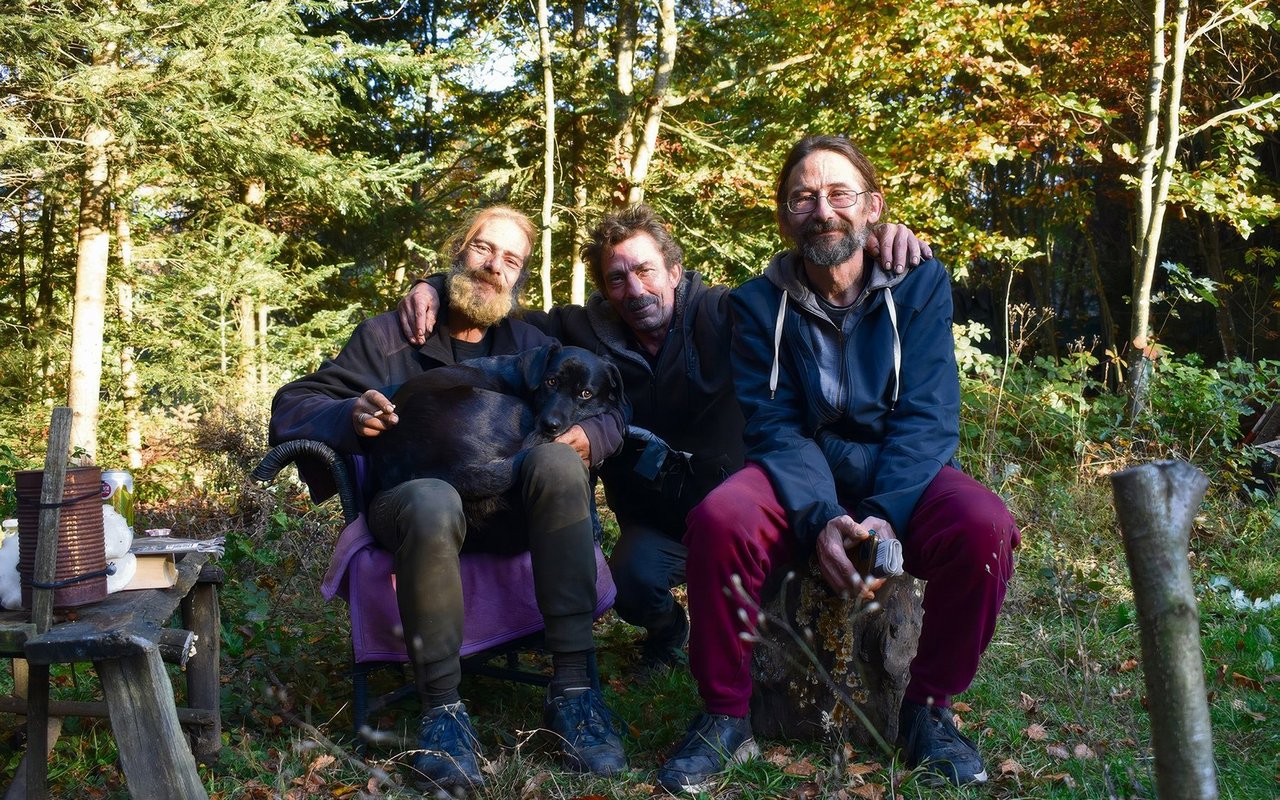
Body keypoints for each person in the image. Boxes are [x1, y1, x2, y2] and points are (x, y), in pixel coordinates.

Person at [397, 206, 931, 673]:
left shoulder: (727, 313)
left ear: (674, 270)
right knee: (629, 582)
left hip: (746, 512)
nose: (634, 290)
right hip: (659, 525)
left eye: (645, 270)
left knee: (785, 597)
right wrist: (435, 286)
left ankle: (774, 649)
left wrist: (873, 240)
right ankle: (669, 631)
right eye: (617, 278)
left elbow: (808, 286)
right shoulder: (578, 332)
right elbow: (493, 305)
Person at [657, 135, 1020, 793]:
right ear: (785, 217)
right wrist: (822, 515)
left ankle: (928, 710)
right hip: (802, 473)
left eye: (839, 193)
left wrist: (884, 514)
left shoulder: (920, 284)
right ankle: (725, 714)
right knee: (719, 519)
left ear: (872, 207)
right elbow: (773, 424)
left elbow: (929, 414)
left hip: (901, 473)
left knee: (983, 527)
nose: (822, 209)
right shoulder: (756, 305)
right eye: (803, 197)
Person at [269, 206, 628, 796]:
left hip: (508, 509)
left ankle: (574, 692)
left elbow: (609, 398)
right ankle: (442, 712)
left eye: (510, 259)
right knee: (433, 501)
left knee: (559, 461)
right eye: (483, 248)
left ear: (521, 276)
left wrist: (594, 435)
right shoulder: (387, 337)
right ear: (458, 250)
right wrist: (349, 413)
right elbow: (293, 404)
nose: (493, 267)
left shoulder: (532, 342)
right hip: (413, 506)